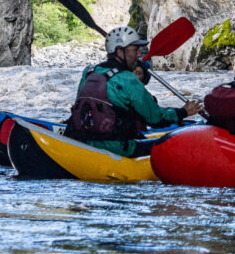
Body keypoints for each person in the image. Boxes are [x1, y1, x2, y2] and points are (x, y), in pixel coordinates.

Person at [65, 26, 203, 157]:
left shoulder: (89, 71)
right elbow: (155, 119)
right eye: (135, 49)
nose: (139, 53)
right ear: (120, 52)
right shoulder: (128, 79)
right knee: (175, 144)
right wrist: (182, 112)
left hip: (79, 141)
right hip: (116, 147)